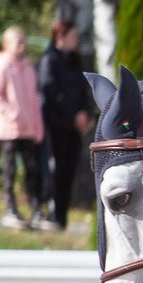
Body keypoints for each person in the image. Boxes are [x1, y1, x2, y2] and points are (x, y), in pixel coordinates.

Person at [0, 26, 46, 230]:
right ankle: (11, 208)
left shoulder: (28, 69)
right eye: (17, 42)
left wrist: (37, 127)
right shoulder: (2, 66)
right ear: (6, 44)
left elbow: (34, 101)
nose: (22, 46)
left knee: (32, 171)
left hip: (27, 131)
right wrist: (13, 114)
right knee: (9, 171)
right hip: (8, 130)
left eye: (23, 42)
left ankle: (36, 209)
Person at [37, 18, 96, 231]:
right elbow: (49, 92)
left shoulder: (74, 60)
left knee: (69, 170)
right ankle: (50, 212)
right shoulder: (49, 60)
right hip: (55, 125)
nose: (76, 41)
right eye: (73, 37)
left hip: (73, 127)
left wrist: (85, 114)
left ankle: (61, 217)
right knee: (55, 169)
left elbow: (83, 91)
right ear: (60, 37)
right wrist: (72, 116)